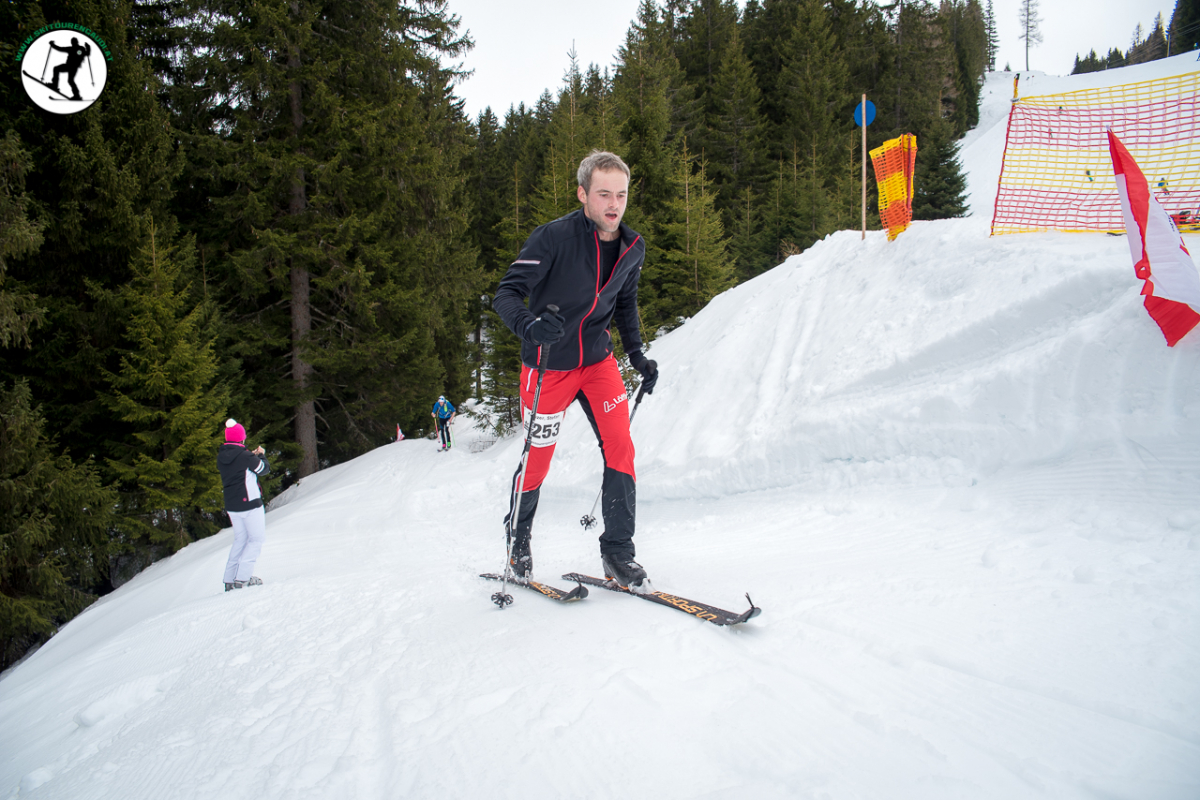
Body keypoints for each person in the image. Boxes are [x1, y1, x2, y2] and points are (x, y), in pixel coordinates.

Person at [492, 150, 659, 589]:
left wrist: (636, 355)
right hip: (549, 367)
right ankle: (518, 542)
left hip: (598, 363)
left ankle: (618, 553)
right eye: (604, 194)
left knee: (621, 447)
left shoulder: (632, 247)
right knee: (537, 460)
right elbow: (506, 294)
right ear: (583, 194)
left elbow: (625, 303)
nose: (614, 204)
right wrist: (530, 327)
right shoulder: (552, 238)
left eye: (621, 194)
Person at [218, 419, 271, 591]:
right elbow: (263, 469)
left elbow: (239, 465)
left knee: (240, 540)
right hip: (250, 504)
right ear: (241, 438)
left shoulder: (222, 456)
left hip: (232, 506)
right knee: (256, 539)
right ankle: (243, 579)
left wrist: (251, 456)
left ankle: (230, 579)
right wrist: (260, 455)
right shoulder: (245, 456)